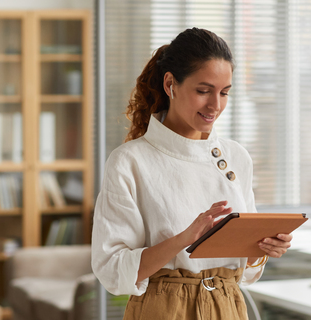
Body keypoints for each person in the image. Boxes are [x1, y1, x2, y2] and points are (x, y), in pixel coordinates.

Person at [91, 27, 294, 320]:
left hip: (229, 306)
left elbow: (247, 271)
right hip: (163, 309)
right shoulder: (130, 161)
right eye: (203, 91)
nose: (215, 105)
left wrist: (262, 248)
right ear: (170, 84)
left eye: (224, 93)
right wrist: (185, 238)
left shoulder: (236, 156)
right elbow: (112, 268)